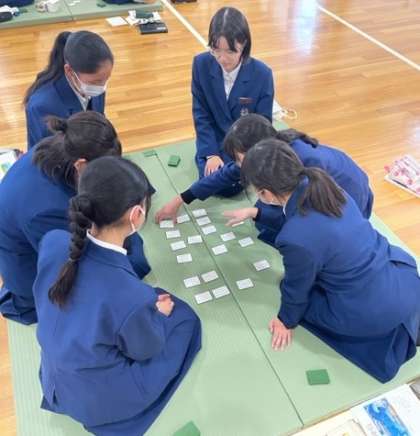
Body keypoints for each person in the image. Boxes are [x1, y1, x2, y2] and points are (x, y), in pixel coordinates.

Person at [33, 156, 201, 435]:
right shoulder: (132, 297)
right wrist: (159, 317)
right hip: (97, 401)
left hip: (54, 380)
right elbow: (145, 349)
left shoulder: (53, 241)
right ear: (136, 215)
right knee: (185, 319)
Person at [240, 138, 420, 383]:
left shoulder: (294, 238)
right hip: (403, 275)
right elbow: (308, 225)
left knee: (291, 289)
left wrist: (285, 321)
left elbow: (296, 288)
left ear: (266, 193)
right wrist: (258, 213)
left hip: (372, 310)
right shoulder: (327, 186)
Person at [0, 111, 150, 325]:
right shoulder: (46, 210)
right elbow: (81, 263)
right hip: (30, 272)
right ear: (81, 165)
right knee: (126, 269)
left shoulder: (59, 146)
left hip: (28, 235)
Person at [155, 114, 373, 247]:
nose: (238, 164)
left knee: (291, 236)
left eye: (240, 158)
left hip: (348, 201)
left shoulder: (304, 162)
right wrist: (180, 200)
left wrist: (258, 213)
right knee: (264, 219)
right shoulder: (269, 152)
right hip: (319, 189)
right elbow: (226, 174)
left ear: (257, 150)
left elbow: (309, 210)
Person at [192, 7, 274, 196]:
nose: (222, 58)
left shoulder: (262, 74)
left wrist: (245, 157)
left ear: (243, 44)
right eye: (215, 50)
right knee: (210, 181)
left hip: (244, 146)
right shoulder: (200, 64)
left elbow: (263, 124)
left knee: (230, 186)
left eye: (230, 51)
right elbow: (201, 114)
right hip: (214, 141)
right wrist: (211, 153)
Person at [24, 30, 113, 149]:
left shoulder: (96, 84)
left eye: (106, 79)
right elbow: (47, 153)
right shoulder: (42, 106)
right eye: (95, 82)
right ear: (69, 71)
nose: (102, 87)